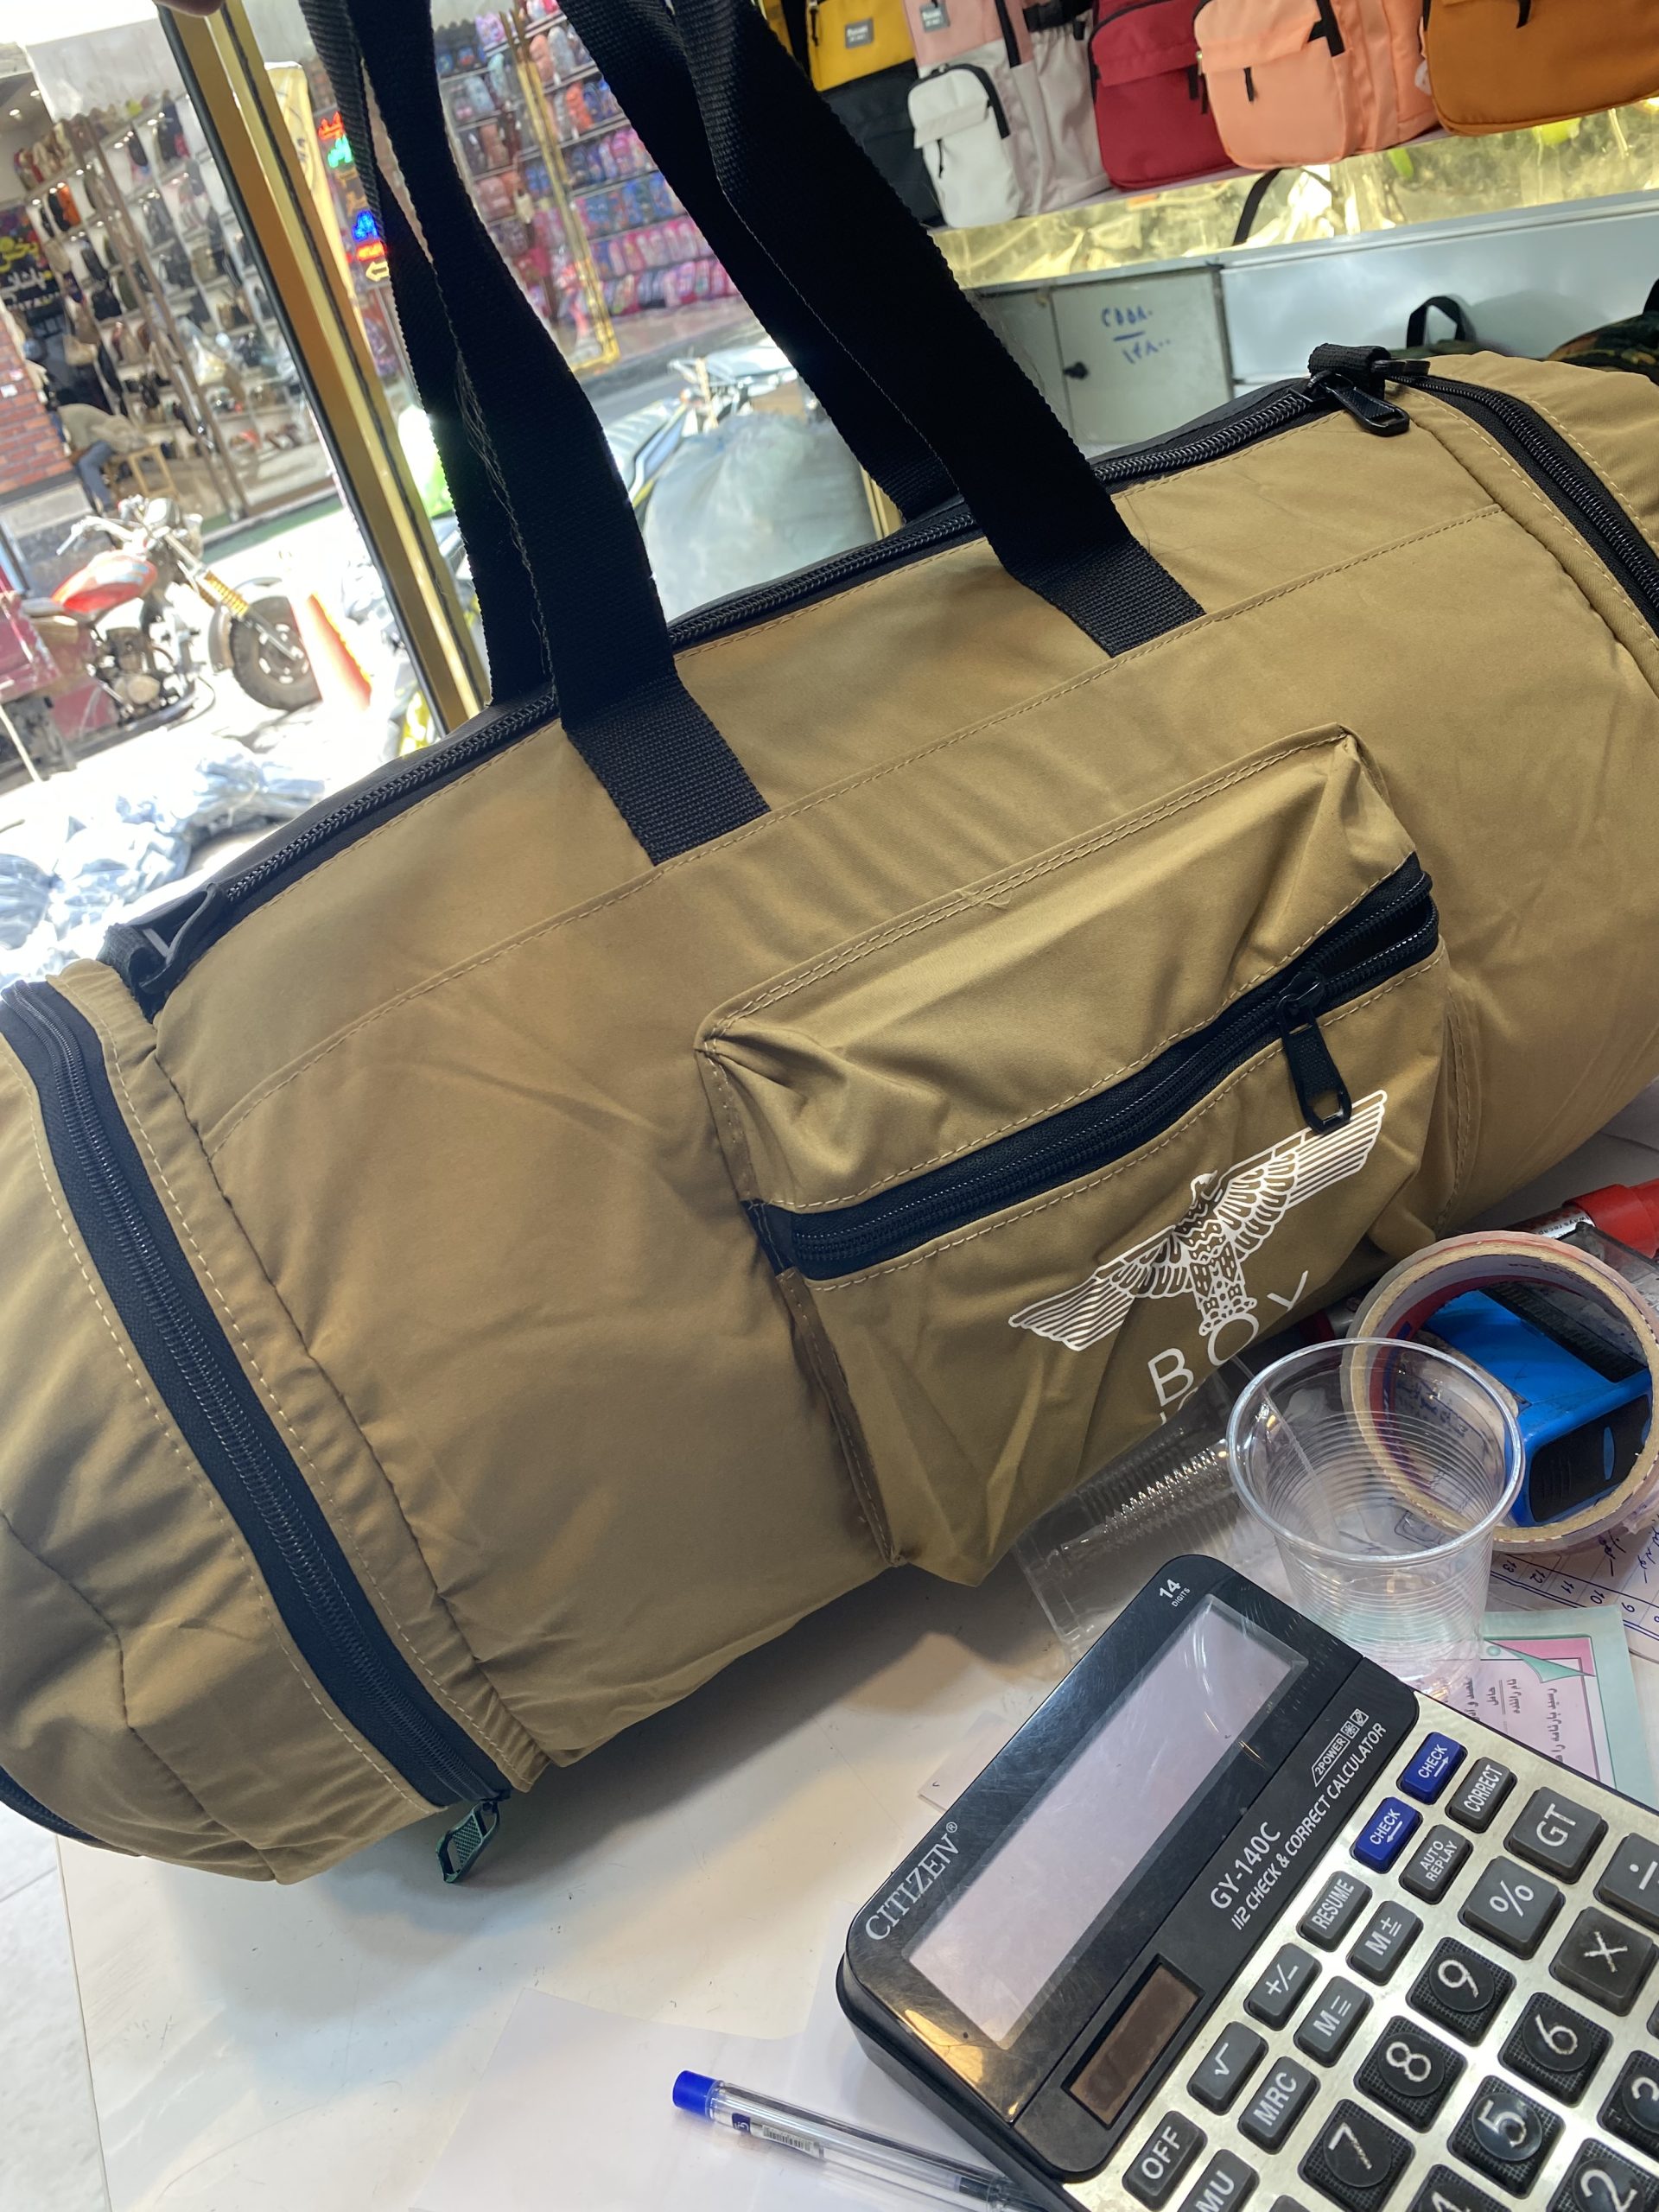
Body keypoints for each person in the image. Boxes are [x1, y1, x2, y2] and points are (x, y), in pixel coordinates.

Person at [52, 401, 159, 516]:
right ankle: (90, 504)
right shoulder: (64, 416)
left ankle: (107, 503)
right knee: (77, 466)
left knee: (86, 463)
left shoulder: (70, 418)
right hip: (98, 440)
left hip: (109, 438)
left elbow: (83, 447)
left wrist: (64, 464)